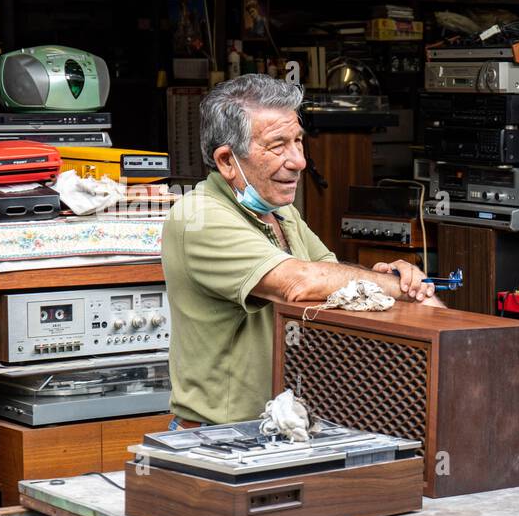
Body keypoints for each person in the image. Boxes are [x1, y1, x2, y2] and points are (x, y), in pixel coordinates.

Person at [163, 74, 441, 428]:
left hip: (284, 428)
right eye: (278, 146)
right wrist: (392, 285)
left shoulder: (279, 211)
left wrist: (392, 281)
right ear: (227, 161)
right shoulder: (197, 216)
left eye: (298, 141)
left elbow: (334, 284)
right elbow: (300, 283)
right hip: (221, 436)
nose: (299, 161)